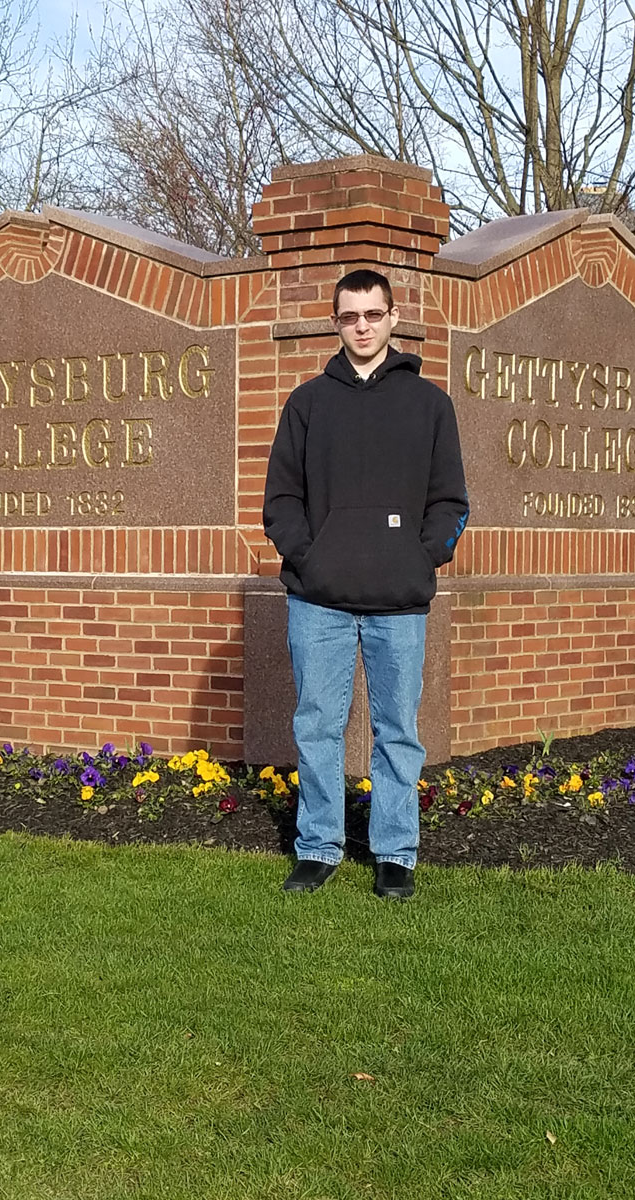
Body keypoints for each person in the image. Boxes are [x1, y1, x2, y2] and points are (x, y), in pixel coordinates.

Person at [262, 268, 468, 899]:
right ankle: (319, 846)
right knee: (318, 725)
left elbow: (451, 502)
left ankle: (394, 853)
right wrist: (312, 558)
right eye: (350, 317)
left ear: (391, 317)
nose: (362, 326)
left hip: (399, 603)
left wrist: (420, 558)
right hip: (317, 601)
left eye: (372, 315)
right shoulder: (306, 403)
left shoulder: (430, 404)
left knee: (397, 731)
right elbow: (280, 501)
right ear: (336, 322)